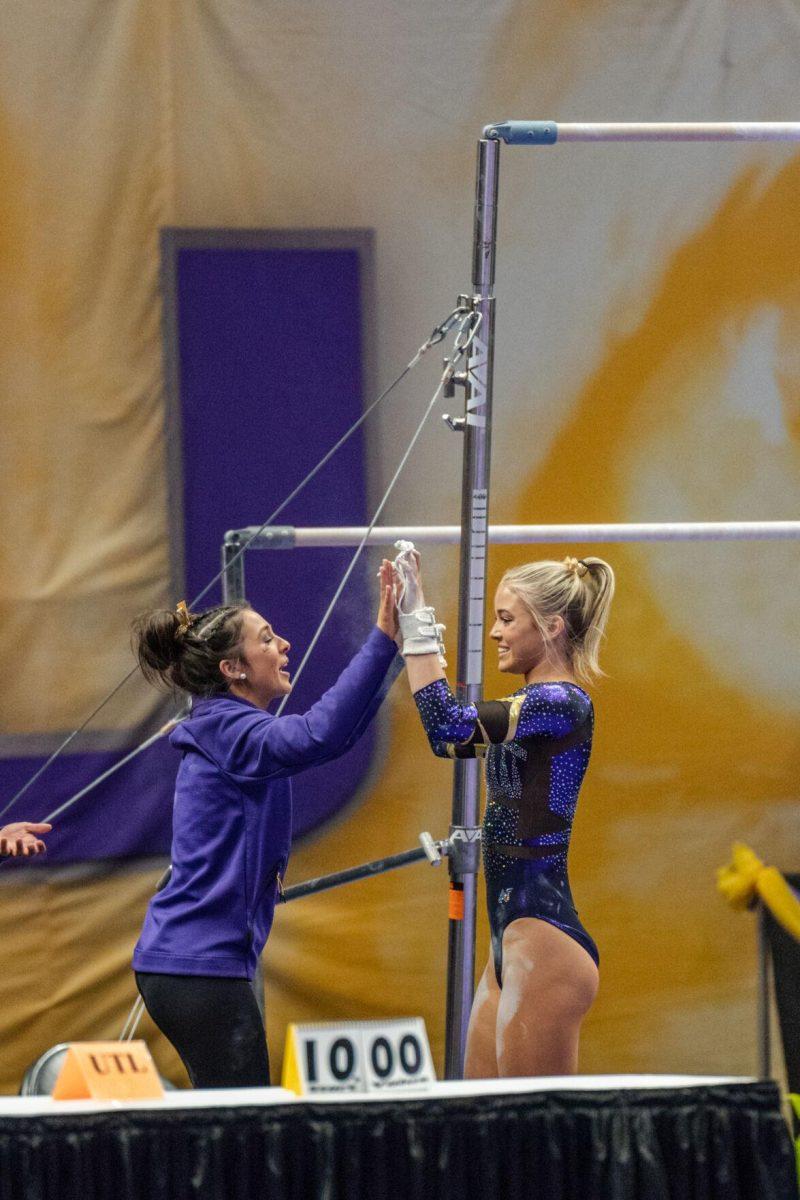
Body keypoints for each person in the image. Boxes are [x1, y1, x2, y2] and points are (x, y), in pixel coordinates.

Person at [130, 564, 400, 1088]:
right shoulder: (232, 732)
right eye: (267, 639)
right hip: (198, 968)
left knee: (235, 1125)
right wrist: (384, 640)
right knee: (242, 1132)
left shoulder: (225, 726)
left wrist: (391, 653)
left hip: (192, 964)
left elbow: (336, 740)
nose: (285, 645)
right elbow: (319, 734)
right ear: (233, 669)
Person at [393, 548, 615, 1077]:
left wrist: (417, 620)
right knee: (486, 1128)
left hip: (545, 940)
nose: (494, 631)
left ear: (553, 626)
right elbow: (446, 743)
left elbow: (449, 724)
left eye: (506, 618)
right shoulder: (531, 709)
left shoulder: (562, 703)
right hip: (509, 941)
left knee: (536, 1140)